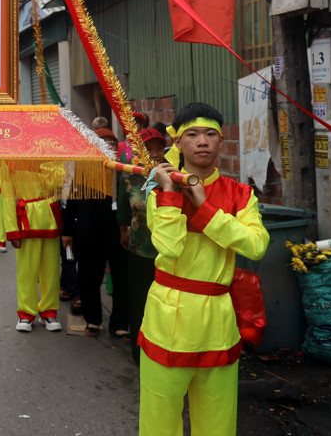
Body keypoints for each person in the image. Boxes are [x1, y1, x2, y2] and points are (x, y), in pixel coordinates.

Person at [138, 103, 269, 436]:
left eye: (211, 134)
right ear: (178, 143)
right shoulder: (160, 192)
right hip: (168, 315)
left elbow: (256, 245)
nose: (202, 141)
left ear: (221, 142)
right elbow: (169, 246)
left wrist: (204, 206)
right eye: (193, 134)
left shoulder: (241, 194)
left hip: (218, 319)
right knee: (159, 419)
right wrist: (171, 194)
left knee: (217, 422)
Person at [61, 128, 129, 338]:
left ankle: (120, 323)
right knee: (89, 277)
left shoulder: (122, 169)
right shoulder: (84, 170)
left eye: (111, 142)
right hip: (88, 232)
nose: (107, 145)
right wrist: (67, 232)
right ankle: (93, 319)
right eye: (102, 142)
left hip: (118, 232)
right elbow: (70, 202)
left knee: (122, 278)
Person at [115, 127, 167, 362]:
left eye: (159, 148)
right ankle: (140, 353)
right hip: (140, 248)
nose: (155, 154)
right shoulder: (130, 176)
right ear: (138, 151)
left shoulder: (173, 175)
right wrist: (123, 230)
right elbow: (122, 209)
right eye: (149, 149)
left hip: (167, 251)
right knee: (140, 302)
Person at [2, 160, 66, 332]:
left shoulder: (52, 156)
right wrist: (11, 229)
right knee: (27, 269)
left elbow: (56, 183)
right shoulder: (9, 159)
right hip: (26, 218)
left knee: (51, 269)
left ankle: (49, 311)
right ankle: (26, 313)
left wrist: (45, 164)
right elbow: (7, 196)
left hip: (49, 217)